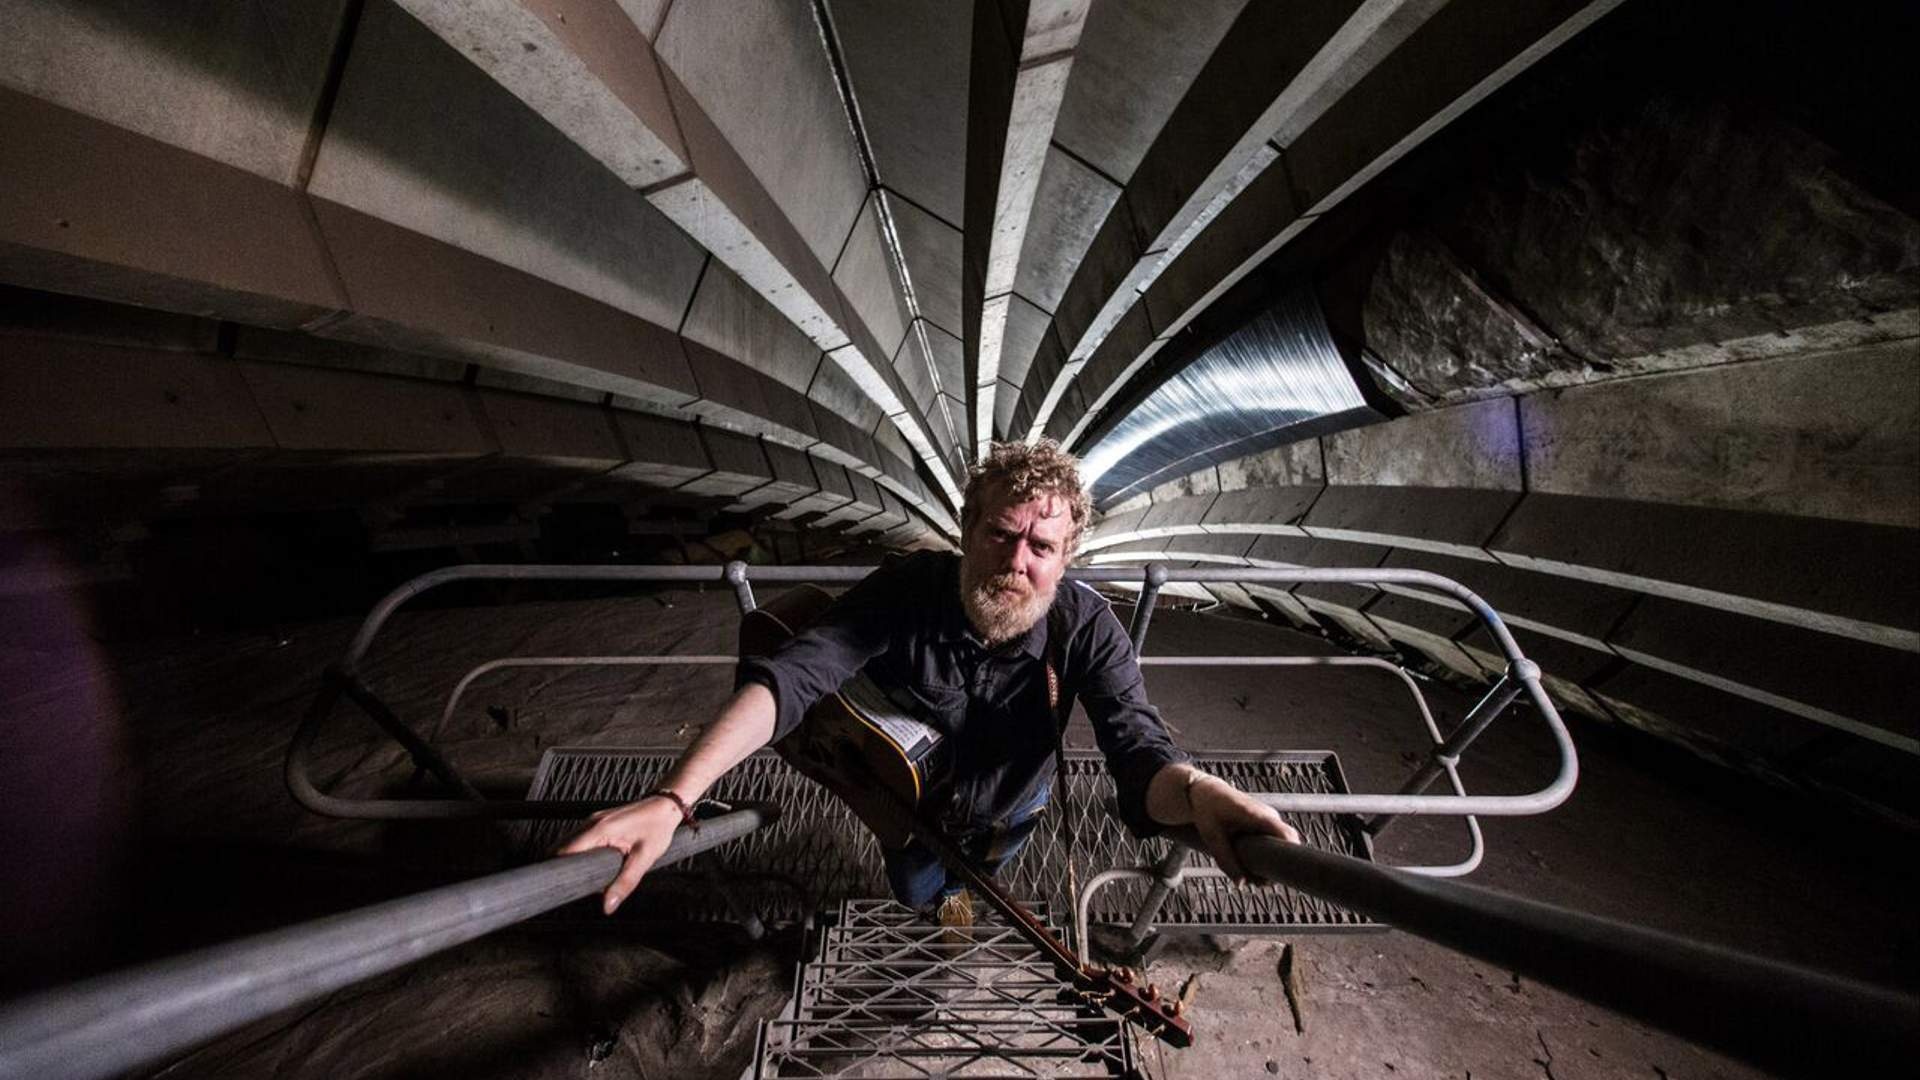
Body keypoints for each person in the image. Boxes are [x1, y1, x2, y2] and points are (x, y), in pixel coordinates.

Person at [562, 439, 1300, 920]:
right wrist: (674, 798)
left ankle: (965, 893)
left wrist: (1201, 794)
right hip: (907, 808)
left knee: (994, 864)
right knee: (920, 889)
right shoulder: (909, 588)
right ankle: (936, 909)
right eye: (1000, 534)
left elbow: (1139, 754)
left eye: (1041, 545)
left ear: (1065, 557)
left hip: (1015, 805)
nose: (1017, 560)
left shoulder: (1088, 629)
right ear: (966, 530)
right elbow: (794, 677)